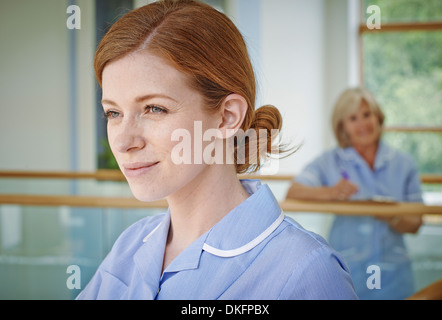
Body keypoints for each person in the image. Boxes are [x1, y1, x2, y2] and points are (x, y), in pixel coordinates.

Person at [77, 0, 357, 300]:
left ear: (227, 117)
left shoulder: (305, 270)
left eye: (154, 108)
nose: (123, 142)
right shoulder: (130, 244)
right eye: (113, 113)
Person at [286, 87, 423, 300]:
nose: (363, 124)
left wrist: (391, 215)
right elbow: (293, 193)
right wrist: (332, 192)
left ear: (378, 117)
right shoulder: (329, 161)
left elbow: (416, 222)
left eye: (367, 115)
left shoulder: (404, 163)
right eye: (353, 118)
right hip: (347, 269)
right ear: (343, 127)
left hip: (393, 273)